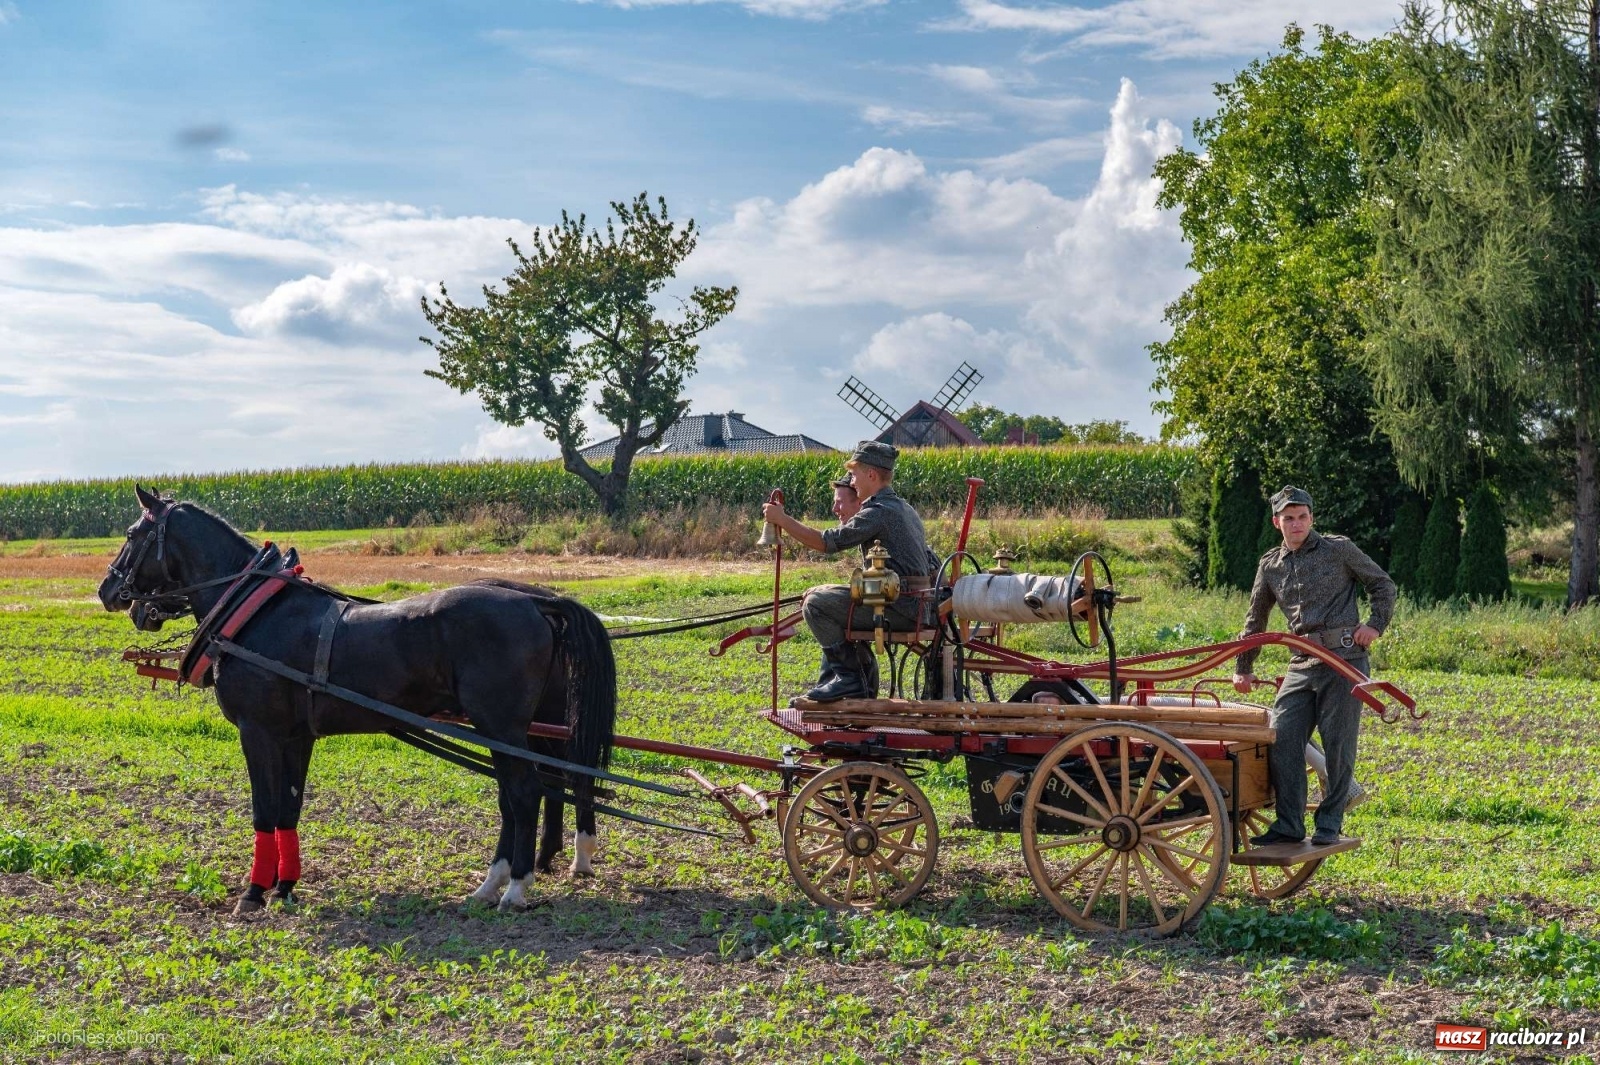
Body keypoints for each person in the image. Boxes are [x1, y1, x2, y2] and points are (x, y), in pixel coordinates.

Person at [1231, 485, 1395, 847]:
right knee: (1282, 738)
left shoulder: (1339, 549)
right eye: (1289, 518)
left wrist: (1375, 624)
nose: (1296, 524)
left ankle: (1330, 821)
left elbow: (1382, 584)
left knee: (1338, 745)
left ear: (1311, 518)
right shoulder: (1270, 566)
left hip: (1344, 662)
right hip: (1301, 663)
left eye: (1302, 516)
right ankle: (1289, 823)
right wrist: (1243, 666)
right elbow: (1255, 619)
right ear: (1278, 522)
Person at [762, 442, 932, 702]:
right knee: (823, 595)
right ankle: (852, 681)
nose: (852, 481)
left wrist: (782, 519)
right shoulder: (903, 508)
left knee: (816, 605)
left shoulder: (879, 511)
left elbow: (828, 542)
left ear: (871, 475)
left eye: (854, 475)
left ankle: (849, 679)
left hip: (899, 609)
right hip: (914, 605)